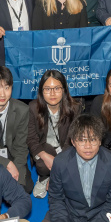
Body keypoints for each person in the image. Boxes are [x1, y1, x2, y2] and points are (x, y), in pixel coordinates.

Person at [26, 70, 81, 198]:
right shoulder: (33, 108)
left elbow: (72, 139)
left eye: (57, 88)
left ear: (64, 90)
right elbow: (31, 138)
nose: (52, 93)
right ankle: (43, 177)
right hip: (44, 148)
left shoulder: (75, 108)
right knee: (42, 165)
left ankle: (55, 176)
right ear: (41, 91)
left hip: (67, 148)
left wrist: (58, 164)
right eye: (47, 89)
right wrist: (45, 156)